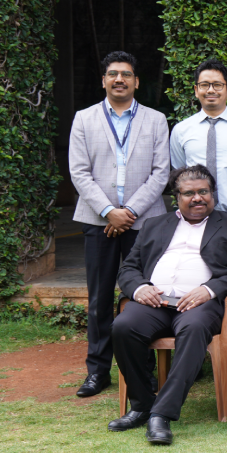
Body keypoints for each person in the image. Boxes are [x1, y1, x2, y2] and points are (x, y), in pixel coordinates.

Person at [107, 165, 227, 445]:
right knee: (123, 327)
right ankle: (142, 405)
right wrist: (140, 288)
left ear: (213, 194)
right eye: (189, 193)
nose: (197, 198)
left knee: (193, 329)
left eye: (204, 192)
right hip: (156, 302)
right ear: (176, 197)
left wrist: (209, 289)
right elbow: (129, 268)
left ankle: (161, 414)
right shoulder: (154, 225)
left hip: (201, 306)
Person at [67, 51, 170, 399]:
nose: (119, 79)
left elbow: (161, 173)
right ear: (103, 80)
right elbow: (79, 172)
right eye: (112, 74)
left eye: (126, 74)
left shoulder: (156, 120)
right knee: (99, 299)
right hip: (98, 221)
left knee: (144, 297)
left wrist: (129, 213)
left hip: (145, 224)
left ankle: (143, 372)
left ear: (136, 81)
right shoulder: (84, 119)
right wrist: (109, 211)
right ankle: (98, 372)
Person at [168, 58, 227, 233]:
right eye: (204, 85)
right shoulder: (181, 130)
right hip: (194, 221)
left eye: (217, 85)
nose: (211, 90)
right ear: (196, 90)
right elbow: (179, 174)